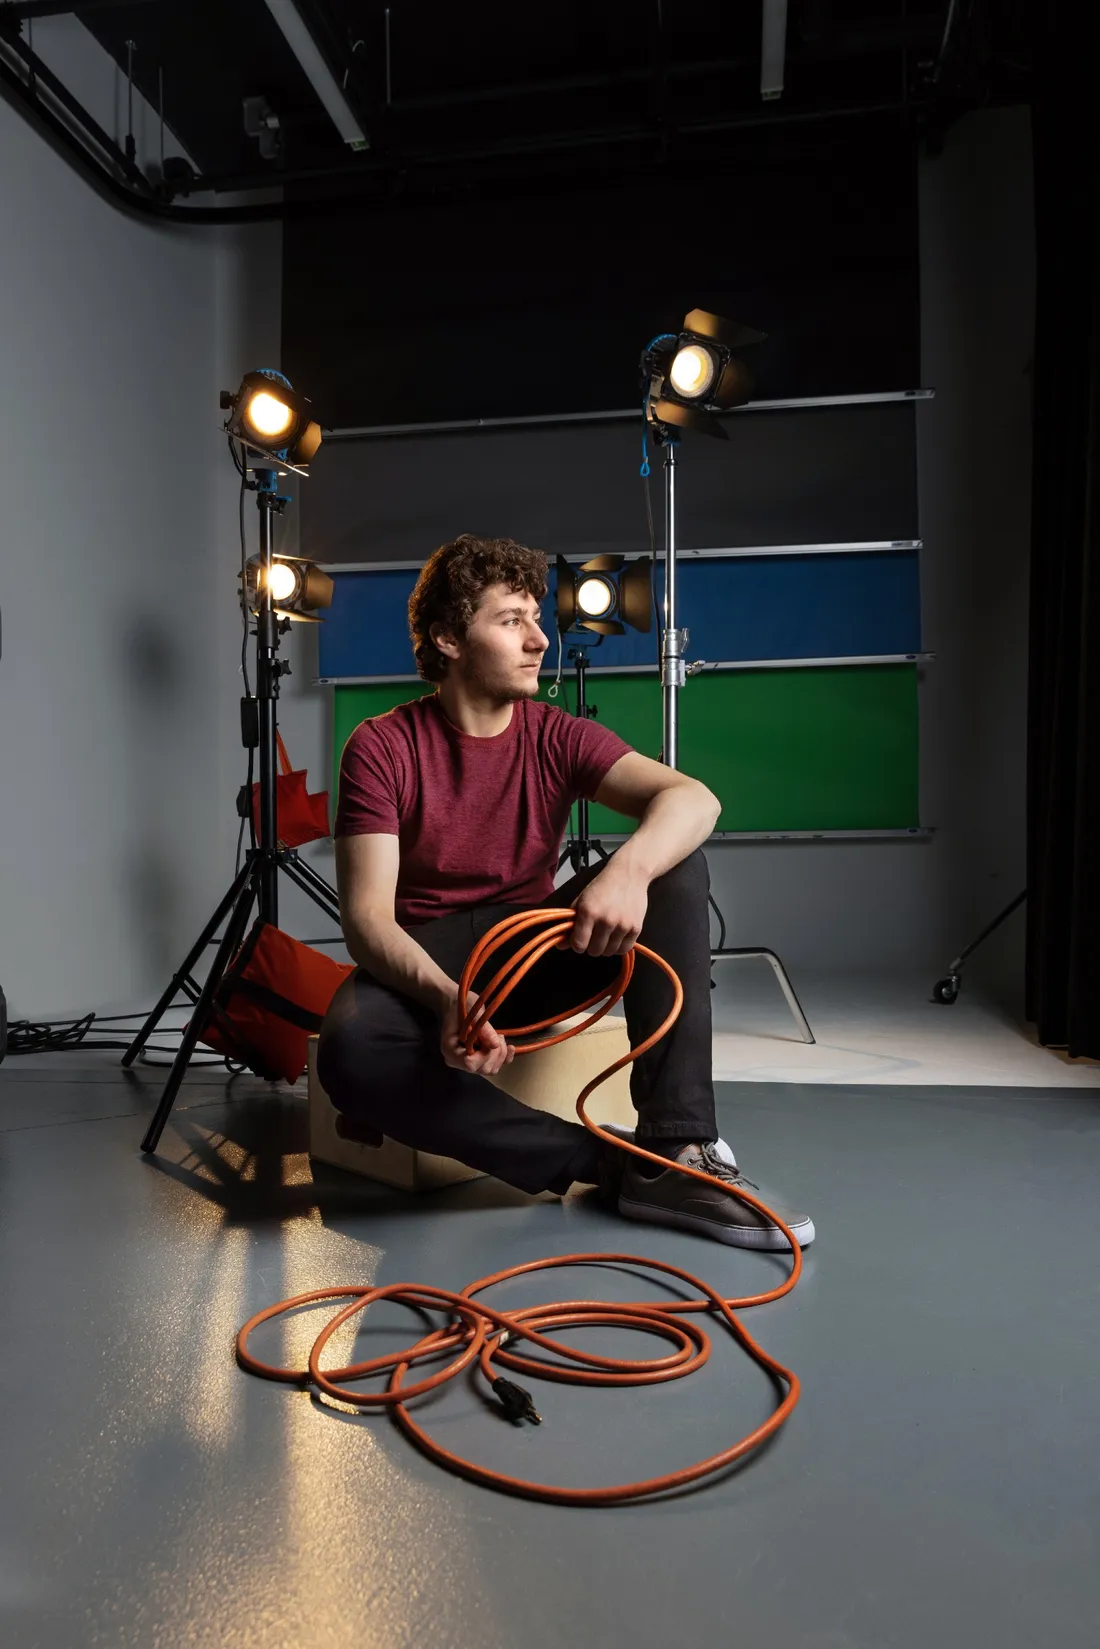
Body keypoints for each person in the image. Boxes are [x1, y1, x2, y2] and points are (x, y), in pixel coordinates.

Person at [318, 534, 814, 1250]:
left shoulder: (557, 734)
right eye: (511, 619)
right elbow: (367, 921)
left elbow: (694, 800)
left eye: (536, 618)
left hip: (528, 952)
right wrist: (446, 1001)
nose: (539, 639)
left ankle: (679, 1145)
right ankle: (615, 1168)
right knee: (352, 1055)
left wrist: (628, 870)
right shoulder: (381, 745)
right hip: (425, 960)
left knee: (674, 867)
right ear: (449, 638)